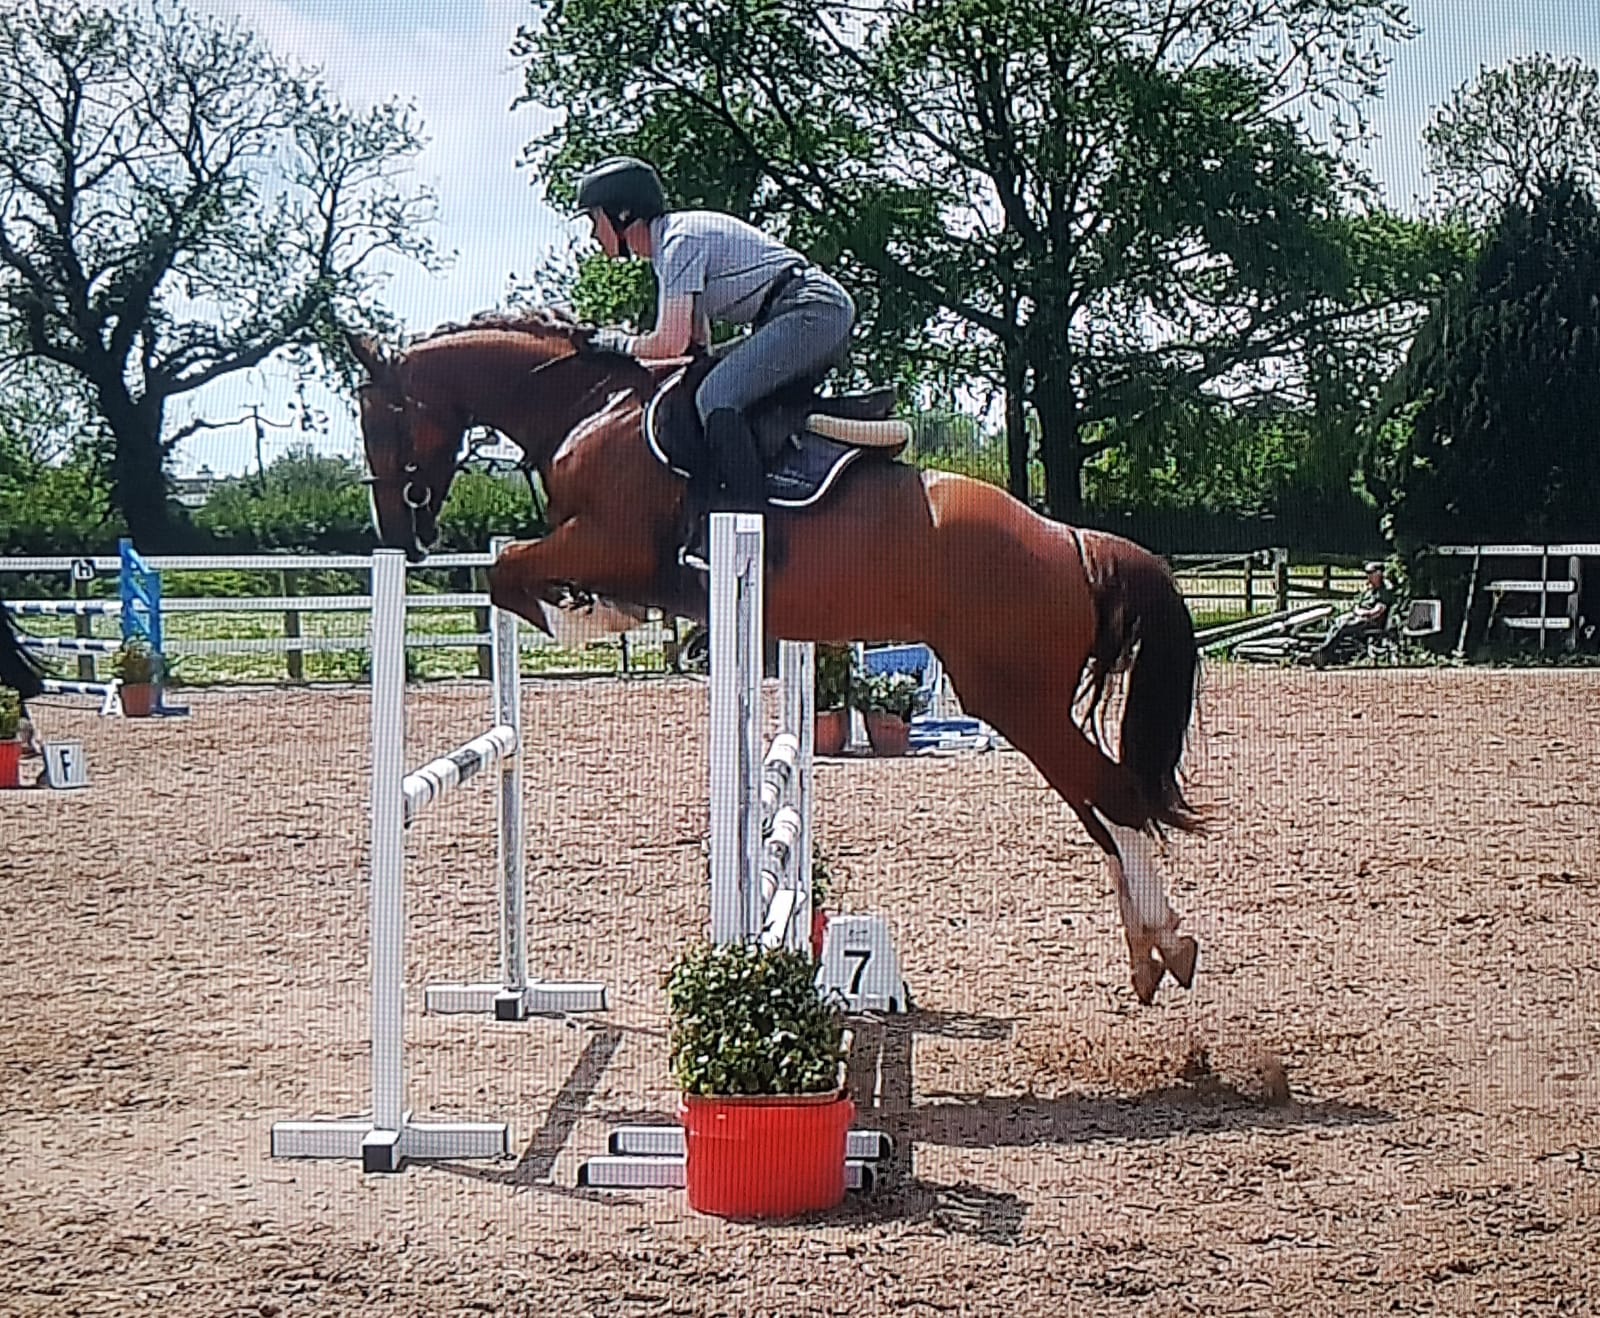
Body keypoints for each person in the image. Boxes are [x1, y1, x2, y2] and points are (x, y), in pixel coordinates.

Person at [574, 156, 856, 514]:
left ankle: (751, 525)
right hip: (796, 311)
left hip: (811, 309)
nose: (592, 234)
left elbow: (668, 343)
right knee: (707, 380)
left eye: (594, 219)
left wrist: (615, 343)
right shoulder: (670, 251)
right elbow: (695, 348)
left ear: (623, 214)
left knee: (716, 397)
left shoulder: (679, 243)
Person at [1309, 561, 1396, 666]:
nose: (1368, 576)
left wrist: (1362, 613)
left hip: (1371, 623)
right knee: (1337, 623)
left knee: (1342, 627)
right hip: (1359, 618)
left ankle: (1323, 654)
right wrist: (1357, 611)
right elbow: (1357, 605)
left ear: (1379, 574)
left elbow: (1377, 611)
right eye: (1367, 573)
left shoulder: (1384, 592)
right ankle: (1324, 652)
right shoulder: (1369, 591)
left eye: (1370, 573)